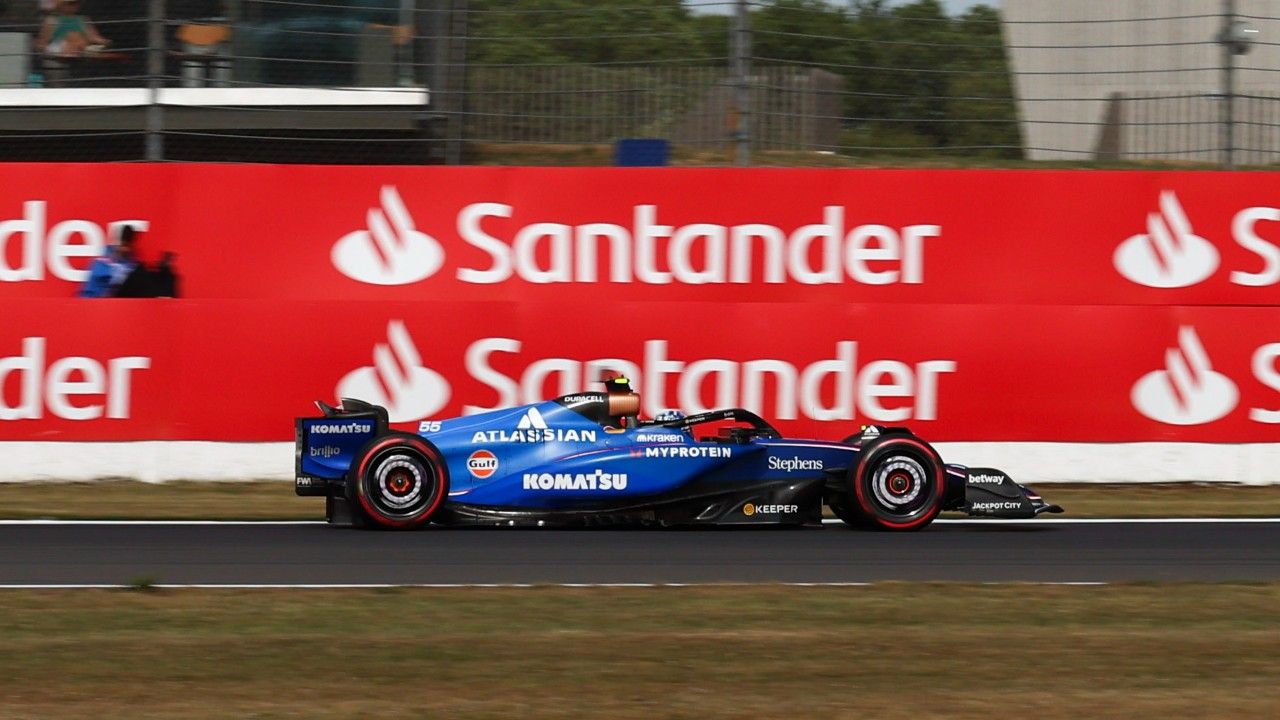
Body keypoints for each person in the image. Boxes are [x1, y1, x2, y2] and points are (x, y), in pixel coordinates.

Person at [79, 225, 138, 298]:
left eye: (128, 246)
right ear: (116, 242)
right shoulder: (101, 262)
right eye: (123, 245)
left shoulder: (132, 262)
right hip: (94, 300)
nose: (125, 249)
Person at [35, 0, 108, 57]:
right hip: (58, 56)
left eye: (76, 3)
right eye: (70, 3)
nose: (74, 6)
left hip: (81, 55)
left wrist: (104, 42)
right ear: (61, 5)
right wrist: (55, 50)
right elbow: (41, 45)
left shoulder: (83, 19)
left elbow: (93, 37)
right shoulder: (51, 20)